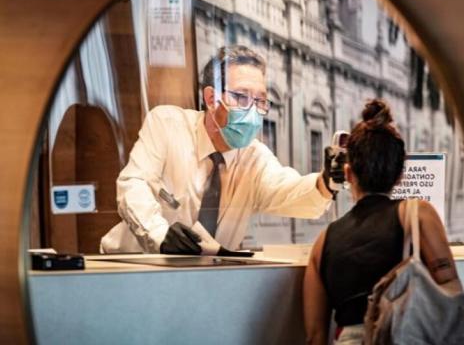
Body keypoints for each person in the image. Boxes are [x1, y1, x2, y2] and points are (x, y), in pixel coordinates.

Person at [100, 45, 339, 254]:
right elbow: (133, 184)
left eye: (260, 101)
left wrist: (326, 182)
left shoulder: (254, 157)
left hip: (205, 278)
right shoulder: (167, 124)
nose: (253, 111)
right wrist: (159, 235)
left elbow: (289, 190)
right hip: (132, 265)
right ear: (211, 97)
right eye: (242, 97)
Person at [303, 99, 463, 344]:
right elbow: (451, 296)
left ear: (348, 174)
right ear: (400, 175)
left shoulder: (324, 241)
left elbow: (315, 337)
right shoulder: (418, 214)